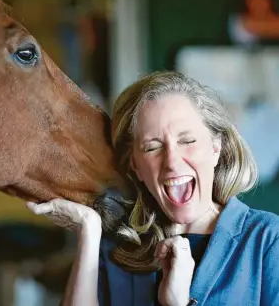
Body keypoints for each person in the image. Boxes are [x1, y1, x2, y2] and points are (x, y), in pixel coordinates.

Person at [27, 71, 279, 306]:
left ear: (216, 148)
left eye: (187, 140)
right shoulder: (117, 248)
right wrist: (89, 230)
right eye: (152, 147)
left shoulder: (267, 240)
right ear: (135, 165)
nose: (172, 161)